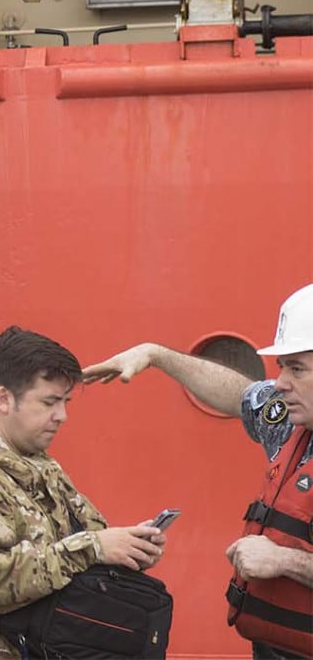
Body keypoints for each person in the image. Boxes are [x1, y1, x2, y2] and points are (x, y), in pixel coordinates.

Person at [83, 282, 313, 659]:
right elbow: (241, 396)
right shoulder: (293, 421)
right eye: (282, 367)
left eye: (297, 369)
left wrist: (285, 560)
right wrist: (155, 355)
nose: (281, 383)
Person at [0, 327, 166, 659]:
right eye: (50, 402)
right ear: (4, 399)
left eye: (65, 401)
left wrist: (129, 547)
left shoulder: (33, 459)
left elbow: (88, 535)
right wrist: (94, 548)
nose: (62, 416)